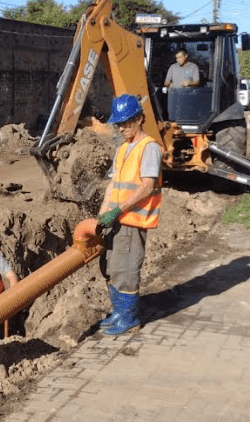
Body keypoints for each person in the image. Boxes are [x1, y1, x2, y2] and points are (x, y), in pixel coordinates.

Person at [96, 94, 162, 336]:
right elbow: (114, 184)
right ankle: (119, 312)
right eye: (119, 124)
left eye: (126, 123)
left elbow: (147, 186)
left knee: (126, 270)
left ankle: (130, 318)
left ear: (140, 119)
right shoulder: (123, 148)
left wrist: (118, 210)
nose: (122, 128)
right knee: (111, 268)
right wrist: (103, 212)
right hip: (116, 220)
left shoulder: (149, 148)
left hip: (132, 221)